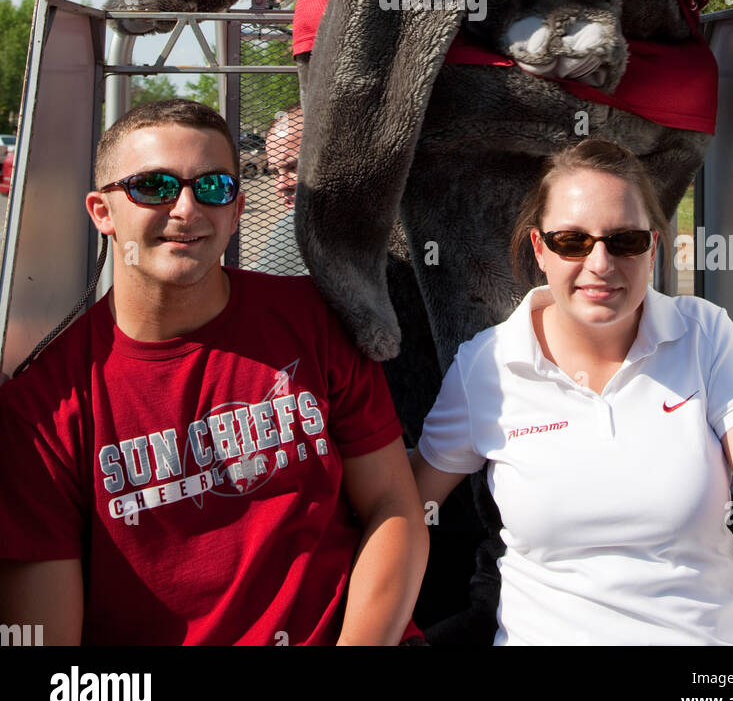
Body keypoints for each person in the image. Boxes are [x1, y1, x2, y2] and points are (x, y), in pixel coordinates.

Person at [0, 99, 428, 646]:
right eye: (153, 186)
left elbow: (394, 507)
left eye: (213, 187)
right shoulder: (43, 412)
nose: (186, 208)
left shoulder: (315, 318)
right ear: (102, 212)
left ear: (237, 209)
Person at [411, 137, 733, 647]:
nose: (600, 263)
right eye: (572, 241)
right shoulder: (488, 365)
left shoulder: (704, 334)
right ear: (540, 249)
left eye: (624, 240)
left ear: (653, 246)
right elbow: (406, 508)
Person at [256, 106, 308, 277]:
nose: (281, 185)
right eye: (275, 173)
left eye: (294, 167)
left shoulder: (301, 225)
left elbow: (260, 290)